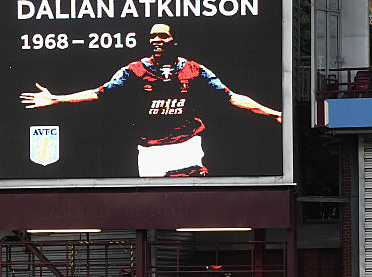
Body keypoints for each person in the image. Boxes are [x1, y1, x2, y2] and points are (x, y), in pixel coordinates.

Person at [19, 23, 281, 177]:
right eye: (153, 36)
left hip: (187, 145)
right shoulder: (133, 70)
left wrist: (273, 113)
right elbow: (99, 93)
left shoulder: (194, 69)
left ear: (174, 40)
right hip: (150, 152)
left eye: (163, 36)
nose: (157, 40)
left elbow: (231, 97)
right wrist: (56, 99)